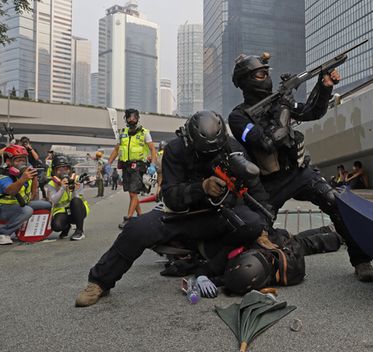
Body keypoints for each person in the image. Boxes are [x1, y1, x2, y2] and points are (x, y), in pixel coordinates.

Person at [74, 111, 269, 307]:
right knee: (137, 229)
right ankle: (99, 282)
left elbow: (256, 190)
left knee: (253, 223)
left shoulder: (233, 149)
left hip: (219, 214)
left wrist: (263, 229)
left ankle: (208, 265)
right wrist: (201, 188)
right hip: (181, 215)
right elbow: (170, 196)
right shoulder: (175, 150)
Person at [228, 52, 373, 282]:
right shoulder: (238, 117)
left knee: (334, 201)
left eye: (267, 72)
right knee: (255, 233)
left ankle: (361, 260)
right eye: (259, 74)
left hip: (299, 171)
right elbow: (267, 142)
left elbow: (311, 112)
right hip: (269, 184)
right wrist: (285, 107)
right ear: (245, 80)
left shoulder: (279, 101)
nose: (266, 77)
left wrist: (324, 87)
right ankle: (299, 245)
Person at [107, 109, 157, 228]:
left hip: (139, 166)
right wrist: (108, 164)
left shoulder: (144, 132)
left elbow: (152, 149)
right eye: (129, 117)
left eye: (134, 117)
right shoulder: (122, 132)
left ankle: (128, 218)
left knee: (134, 192)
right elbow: (116, 149)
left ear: (138, 118)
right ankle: (141, 218)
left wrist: (153, 165)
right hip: (126, 166)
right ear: (126, 119)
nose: (132, 119)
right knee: (131, 194)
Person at [0, 145, 51, 245]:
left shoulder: (25, 173)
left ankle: (24, 228)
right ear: (8, 162)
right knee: (27, 211)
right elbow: (11, 191)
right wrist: (23, 179)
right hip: (3, 208)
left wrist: (34, 177)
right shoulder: (4, 175)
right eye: (17, 161)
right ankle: (3, 233)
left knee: (47, 205)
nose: (21, 163)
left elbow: (33, 194)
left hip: (20, 204)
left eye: (23, 160)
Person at [45, 155, 89, 241]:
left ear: (70, 169)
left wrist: (74, 190)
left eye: (65, 169)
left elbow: (78, 199)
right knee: (56, 226)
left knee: (75, 201)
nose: (63, 172)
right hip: (62, 212)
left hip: (78, 211)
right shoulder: (51, 184)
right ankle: (66, 227)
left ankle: (79, 231)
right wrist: (62, 188)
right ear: (54, 171)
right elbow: (53, 200)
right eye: (59, 169)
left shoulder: (77, 179)